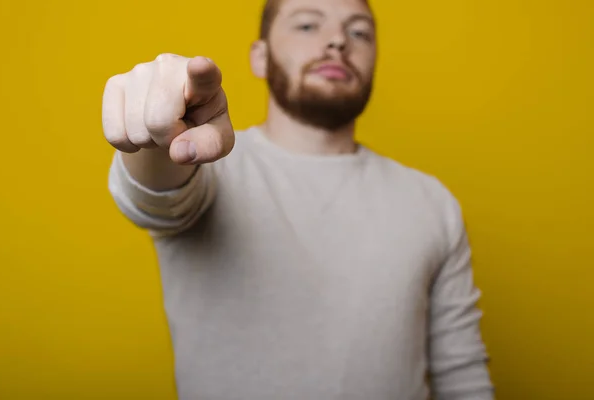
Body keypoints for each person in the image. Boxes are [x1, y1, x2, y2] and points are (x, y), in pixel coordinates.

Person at [102, 0, 494, 398]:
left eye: (359, 32)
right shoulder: (212, 169)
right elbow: (156, 196)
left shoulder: (431, 202)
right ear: (260, 56)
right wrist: (158, 133)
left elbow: (462, 377)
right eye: (308, 25)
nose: (338, 41)